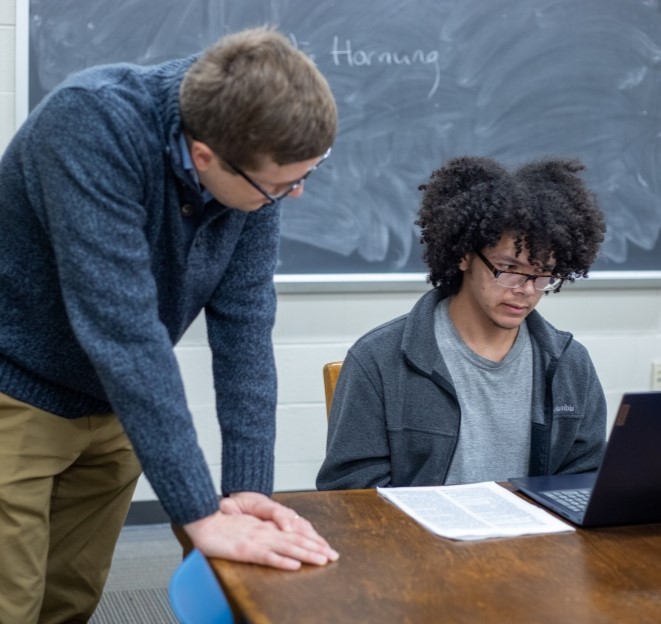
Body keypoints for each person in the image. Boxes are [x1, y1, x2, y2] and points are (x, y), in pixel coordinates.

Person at [0, 26, 338, 623]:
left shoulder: (253, 169)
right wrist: (198, 514)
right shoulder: (91, 125)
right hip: (16, 394)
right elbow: (122, 330)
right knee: (10, 603)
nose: (295, 195)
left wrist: (247, 490)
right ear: (206, 155)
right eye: (281, 186)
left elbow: (245, 328)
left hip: (117, 409)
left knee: (68, 602)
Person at [317, 156, 607, 491]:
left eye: (543, 275)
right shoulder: (379, 359)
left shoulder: (570, 363)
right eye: (508, 269)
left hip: (536, 540)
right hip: (420, 541)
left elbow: (586, 480)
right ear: (465, 255)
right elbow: (351, 491)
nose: (526, 291)